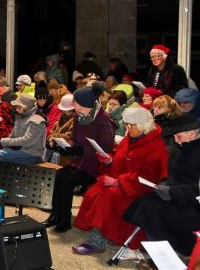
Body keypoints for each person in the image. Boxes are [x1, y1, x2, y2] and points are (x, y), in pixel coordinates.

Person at [72, 107, 168, 255]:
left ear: (143, 125)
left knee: (108, 195)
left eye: (131, 125)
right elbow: (121, 159)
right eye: (127, 124)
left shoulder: (155, 145)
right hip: (125, 182)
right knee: (94, 191)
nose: (128, 129)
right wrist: (109, 160)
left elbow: (149, 176)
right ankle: (108, 233)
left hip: (139, 188)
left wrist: (118, 182)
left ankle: (96, 241)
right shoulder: (132, 137)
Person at [123, 113, 200, 257]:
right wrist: (164, 185)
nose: (176, 141)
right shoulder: (185, 147)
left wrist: (170, 191)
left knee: (149, 208)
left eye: (178, 136)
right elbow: (175, 175)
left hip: (191, 205)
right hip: (178, 196)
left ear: (191, 133)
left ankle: (164, 253)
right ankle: (157, 249)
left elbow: (196, 188)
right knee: (144, 200)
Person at [44, 82, 116, 232]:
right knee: (58, 175)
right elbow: (74, 140)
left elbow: (106, 149)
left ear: (85, 103)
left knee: (66, 178)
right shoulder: (79, 117)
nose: (72, 104)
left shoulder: (104, 121)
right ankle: (56, 215)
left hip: (97, 166)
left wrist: (79, 150)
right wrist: (65, 147)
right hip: (80, 162)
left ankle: (64, 219)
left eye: (75, 101)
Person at [0, 93, 46, 171]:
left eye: (19, 107)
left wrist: (3, 142)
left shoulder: (37, 119)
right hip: (21, 151)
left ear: (26, 107)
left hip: (33, 154)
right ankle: (0, 179)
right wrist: (2, 148)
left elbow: (27, 141)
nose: (16, 109)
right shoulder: (21, 117)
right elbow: (12, 136)